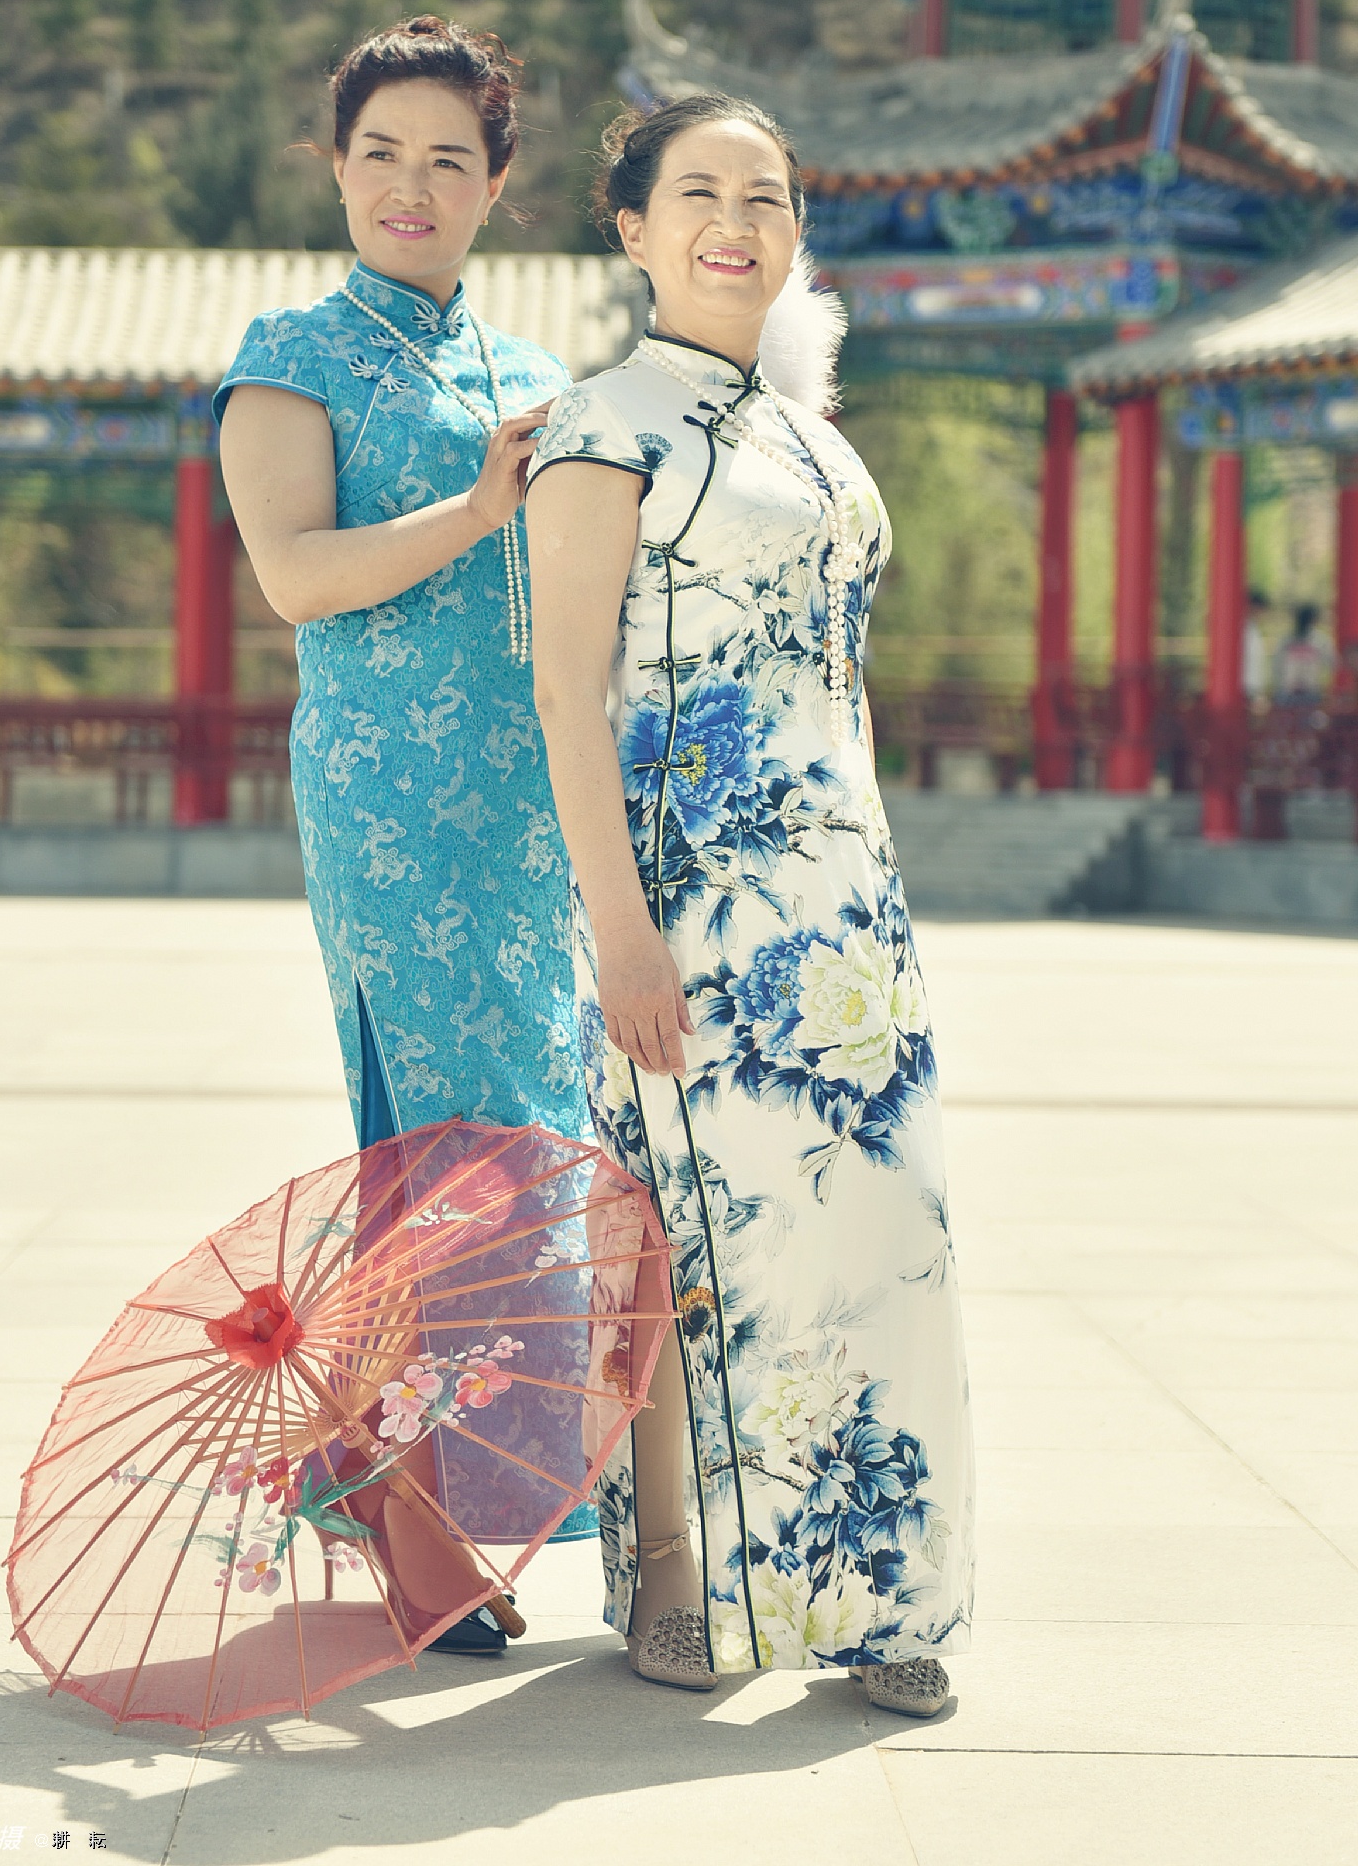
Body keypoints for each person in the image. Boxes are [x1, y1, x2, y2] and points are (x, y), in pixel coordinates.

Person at [524, 93, 975, 1714]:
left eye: (768, 196)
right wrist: (620, 931)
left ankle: (879, 1584)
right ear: (633, 228)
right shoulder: (604, 428)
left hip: (846, 914)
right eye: (700, 193)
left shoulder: (813, 435)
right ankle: (674, 1574)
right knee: (688, 1249)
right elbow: (566, 696)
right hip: (690, 913)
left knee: (876, 1233)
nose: (738, 222)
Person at [216, 15, 592, 1651]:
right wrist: (478, 507)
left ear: (498, 185)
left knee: (536, 1143)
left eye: (448, 159)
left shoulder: (538, 375)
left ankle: (410, 1479)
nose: (410, 186)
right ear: (335, 167)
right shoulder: (287, 359)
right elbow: (297, 576)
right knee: (435, 1147)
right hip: (392, 809)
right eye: (380, 154)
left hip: (534, 807)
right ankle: (412, 1515)